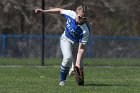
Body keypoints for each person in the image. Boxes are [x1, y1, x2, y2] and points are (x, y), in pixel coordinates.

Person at [35, 5, 90, 86]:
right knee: (67, 58)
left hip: (77, 44)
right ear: (76, 13)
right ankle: (62, 81)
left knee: (79, 67)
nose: (82, 19)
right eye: (80, 17)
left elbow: (81, 49)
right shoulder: (70, 14)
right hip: (66, 39)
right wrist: (44, 11)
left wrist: (77, 64)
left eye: (85, 18)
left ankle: (73, 67)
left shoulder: (85, 30)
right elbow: (59, 10)